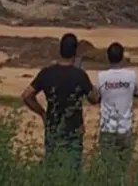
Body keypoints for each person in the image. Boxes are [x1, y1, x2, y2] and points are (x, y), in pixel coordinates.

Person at [21, 33, 96, 172]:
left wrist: (42, 113)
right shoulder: (79, 75)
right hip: (73, 130)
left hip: (53, 128)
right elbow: (94, 99)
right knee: (72, 173)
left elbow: (27, 95)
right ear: (75, 52)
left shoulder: (46, 73)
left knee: (52, 169)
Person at [95, 42, 138, 165]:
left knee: (106, 165)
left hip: (107, 128)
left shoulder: (101, 77)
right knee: (124, 166)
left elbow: (96, 96)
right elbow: (137, 93)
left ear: (107, 57)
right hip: (125, 128)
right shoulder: (131, 76)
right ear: (122, 57)